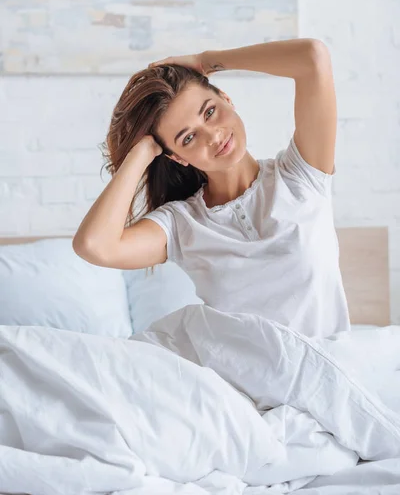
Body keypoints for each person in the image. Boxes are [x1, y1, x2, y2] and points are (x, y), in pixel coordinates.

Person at [73, 39, 351, 338]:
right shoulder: (182, 224)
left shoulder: (300, 176)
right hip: (233, 381)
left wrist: (206, 62)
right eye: (188, 138)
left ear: (226, 99)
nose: (213, 136)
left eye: (209, 112)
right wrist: (140, 154)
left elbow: (312, 56)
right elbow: (94, 246)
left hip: (323, 372)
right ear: (176, 157)